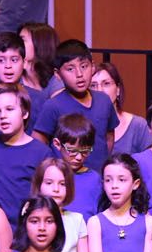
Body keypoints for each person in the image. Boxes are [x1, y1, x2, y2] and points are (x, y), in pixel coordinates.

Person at [32, 40, 111, 173]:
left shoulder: (104, 100)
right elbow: (39, 142)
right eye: (70, 69)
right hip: (65, 179)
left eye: (84, 66)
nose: (79, 74)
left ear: (92, 66)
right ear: (57, 74)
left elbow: (108, 137)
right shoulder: (53, 105)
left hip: (98, 177)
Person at [0, 85, 50, 222]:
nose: (3, 116)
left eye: (9, 109)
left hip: (26, 228)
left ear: (25, 113)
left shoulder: (41, 152)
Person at [30, 156, 89, 252]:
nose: (56, 189)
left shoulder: (77, 220)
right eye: (49, 183)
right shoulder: (30, 219)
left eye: (62, 184)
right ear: (39, 185)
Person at [91, 61, 150, 156]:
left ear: (118, 89)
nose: (100, 90)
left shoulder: (138, 126)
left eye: (106, 84)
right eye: (93, 85)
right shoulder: (81, 124)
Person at [50, 114, 101, 218]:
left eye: (85, 151)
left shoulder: (94, 179)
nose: (78, 157)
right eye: (72, 151)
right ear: (57, 144)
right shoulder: (49, 175)